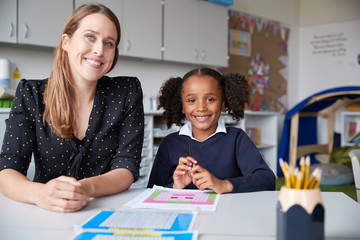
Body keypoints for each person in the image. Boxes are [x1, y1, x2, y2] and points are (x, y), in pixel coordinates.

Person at [0, 4, 144, 213]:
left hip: (104, 210)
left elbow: (127, 167)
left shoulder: (126, 91)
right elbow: (7, 170)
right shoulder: (31, 94)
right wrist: (39, 194)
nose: (99, 50)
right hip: (46, 212)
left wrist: (86, 187)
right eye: (90, 37)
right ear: (66, 42)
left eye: (109, 43)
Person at [147, 68, 275, 194]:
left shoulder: (236, 138)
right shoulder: (170, 143)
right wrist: (175, 187)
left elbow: (267, 180)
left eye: (210, 99)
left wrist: (224, 185)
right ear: (182, 106)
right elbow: (151, 191)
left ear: (223, 104)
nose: (201, 108)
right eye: (192, 100)